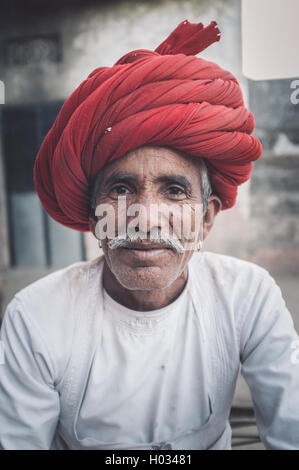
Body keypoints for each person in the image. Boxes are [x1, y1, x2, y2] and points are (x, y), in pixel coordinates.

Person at [0, 20, 298, 450]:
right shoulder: (36, 316)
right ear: (91, 211)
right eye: (121, 190)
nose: (145, 218)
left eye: (174, 191)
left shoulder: (248, 297)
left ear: (206, 217)